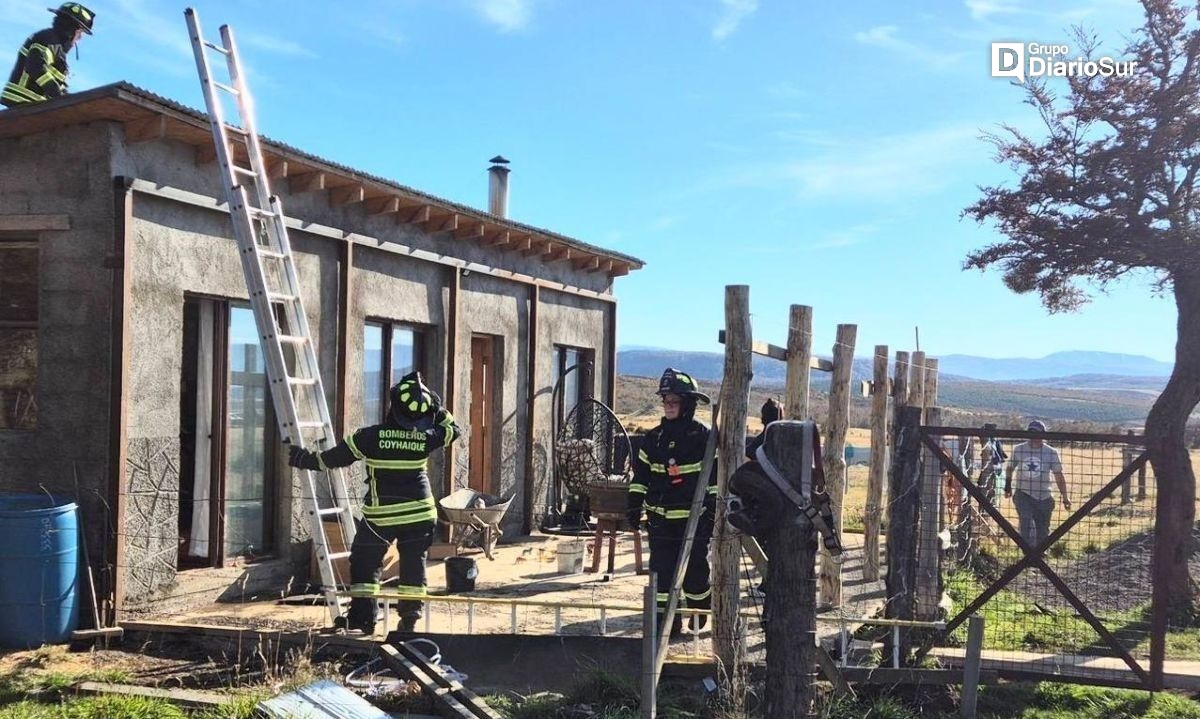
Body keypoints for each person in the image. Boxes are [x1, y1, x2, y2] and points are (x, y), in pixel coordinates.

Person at [288, 371, 460, 635]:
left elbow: (334, 459)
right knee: (414, 567)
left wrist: (305, 459)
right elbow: (453, 428)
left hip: (381, 517)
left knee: (365, 563)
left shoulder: (370, 437)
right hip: (420, 515)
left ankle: (363, 618)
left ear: (393, 408)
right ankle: (409, 622)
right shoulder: (429, 436)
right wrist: (434, 405)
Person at [626, 368, 716, 637]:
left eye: (674, 402)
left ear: (688, 404)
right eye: (665, 402)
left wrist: (711, 511)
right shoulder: (653, 439)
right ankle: (667, 621)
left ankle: (701, 610)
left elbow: (714, 477)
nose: (668, 407)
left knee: (695, 573)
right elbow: (640, 476)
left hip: (693, 522)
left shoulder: (702, 438)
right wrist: (634, 502)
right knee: (662, 573)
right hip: (660, 521)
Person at [3, 4, 95, 108]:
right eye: (80, 32)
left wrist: (68, 99)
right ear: (71, 29)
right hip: (24, 102)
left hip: (32, 106)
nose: (80, 38)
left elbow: (56, 84)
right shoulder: (49, 41)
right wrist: (58, 95)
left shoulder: (56, 47)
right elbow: (35, 67)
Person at [1004, 420, 1071, 548]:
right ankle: (1026, 553)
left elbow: (1058, 475)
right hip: (1023, 493)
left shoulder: (1051, 452)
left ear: (1043, 435)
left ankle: (1040, 554)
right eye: (1031, 433)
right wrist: (1008, 486)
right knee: (1026, 522)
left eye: (1036, 433)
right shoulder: (1019, 449)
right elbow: (1010, 467)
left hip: (1044, 495)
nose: (1033, 437)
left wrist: (1065, 497)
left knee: (1043, 528)